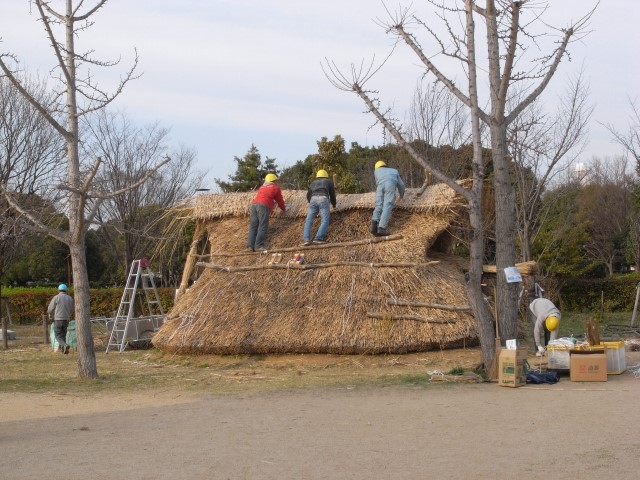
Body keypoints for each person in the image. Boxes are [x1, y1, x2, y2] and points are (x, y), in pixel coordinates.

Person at [247, 173, 286, 252]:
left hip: (253, 206)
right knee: (263, 226)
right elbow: (280, 200)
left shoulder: (262, 187)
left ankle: (249, 247)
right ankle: (258, 246)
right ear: (273, 181)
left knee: (253, 227)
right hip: (263, 206)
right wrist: (283, 208)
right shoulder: (275, 188)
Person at [370, 160, 405, 236]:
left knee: (379, 205)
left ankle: (374, 226)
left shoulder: (376, 171)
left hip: (379, 187)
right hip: (390, 185)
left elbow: (378, 183)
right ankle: (381, 228)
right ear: (385, 165)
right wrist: (401, 196)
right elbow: (401, 185)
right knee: (387, 205)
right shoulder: (394, 171)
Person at [302, 169, 337, 246]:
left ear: (317, 176)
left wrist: (311, 203)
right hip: (323, 198)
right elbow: (332, 195)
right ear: (326, 176)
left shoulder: (312, 183)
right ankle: (318, 238)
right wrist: (334, 205)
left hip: (313, 199)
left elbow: (308, 195)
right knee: (325, 219)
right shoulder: (329, 182)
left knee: (309, 220)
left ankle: (306, 239)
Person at [47, 283, 74, 354]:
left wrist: (50, 314)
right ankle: (63, 350)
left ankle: (65, 345)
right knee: (64, 334)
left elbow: (50, 309)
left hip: (58, 319)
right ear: (66, 290)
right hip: (66, 319)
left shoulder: (56, 297)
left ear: (58, 290)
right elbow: (72, 310)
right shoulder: (70, 298)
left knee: (58, 335)